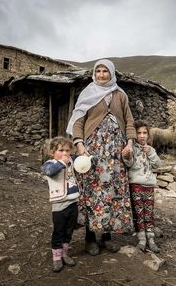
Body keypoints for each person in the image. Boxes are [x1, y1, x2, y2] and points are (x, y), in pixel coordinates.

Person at [66, 59, 136, 256]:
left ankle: (106, 236)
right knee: (91, 192)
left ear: (112, 73)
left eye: (106, 71)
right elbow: (78, 123)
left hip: (115, 155)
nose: (102, 74)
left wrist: (129, 143)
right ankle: (89, 238)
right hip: (92, 153)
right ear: (94, 74)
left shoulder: (120, 95)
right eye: (99, 71)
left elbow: (129, 121)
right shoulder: (87, 93)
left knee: (112, 193)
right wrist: (79, 145)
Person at [41, 136, 80, 272]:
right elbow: (49, 172)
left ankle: (64, 253)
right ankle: (56, 258)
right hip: (59, 205)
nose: (65, 153)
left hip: (73, 203)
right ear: (52, 152)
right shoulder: (50, 164)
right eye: (61, 150)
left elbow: (82, 161)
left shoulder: (71, 161)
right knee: (59, 231)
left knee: (69, 230)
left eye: (67, 151)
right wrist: (62, 163)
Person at [122, 120, 161, 253]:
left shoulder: (151, 149)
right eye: (139, 133)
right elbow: (129, 164)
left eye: (145, 133)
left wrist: (150, 152)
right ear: (135, 135)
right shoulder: (132, 148)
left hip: (149, 185)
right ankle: (142, 239)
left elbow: (157, 165)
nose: (142, 136)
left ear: (148, 135)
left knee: (149, 213)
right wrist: (127, 155)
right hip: (136, 185)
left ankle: (151, 239)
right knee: (139, 213)